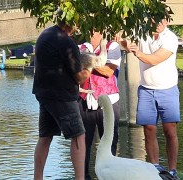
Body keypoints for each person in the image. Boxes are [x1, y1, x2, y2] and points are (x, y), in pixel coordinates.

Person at [32, 18, 91, 180]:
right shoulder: (66, 41)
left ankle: (37, 178)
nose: (78, 26)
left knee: (45, 136)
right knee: (78, 135)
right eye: (77, 22)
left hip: (43, 93)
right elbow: (79, 77)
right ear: (70, 23)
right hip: (62, 96)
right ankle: (80, 178)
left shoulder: (45, 34)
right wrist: (89, 70)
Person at [126, 19, 180, 179]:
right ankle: (155, 168)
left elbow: (155, 59)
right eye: (154, 19)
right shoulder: (141, 32)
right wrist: (125, 43)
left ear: (167, 21)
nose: (158, 22)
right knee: (149, 129)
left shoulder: (170, 38)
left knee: (169, 130)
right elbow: (126, 42)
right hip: (146, 89)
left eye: (162, 19)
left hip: (167, 89)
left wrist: (138, 53)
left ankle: (172, 170)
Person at [78, 31, 122, 180]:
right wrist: (97, 61)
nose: (91, 32)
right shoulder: (82, 47)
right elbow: (77, 70)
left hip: (108, 102)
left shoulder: (112, 46)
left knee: (109, 141)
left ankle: (110, 175)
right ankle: (83, 176)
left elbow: (109, 71)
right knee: (83, 142)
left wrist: (87, 62)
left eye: (95, 29)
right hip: (86, 101)